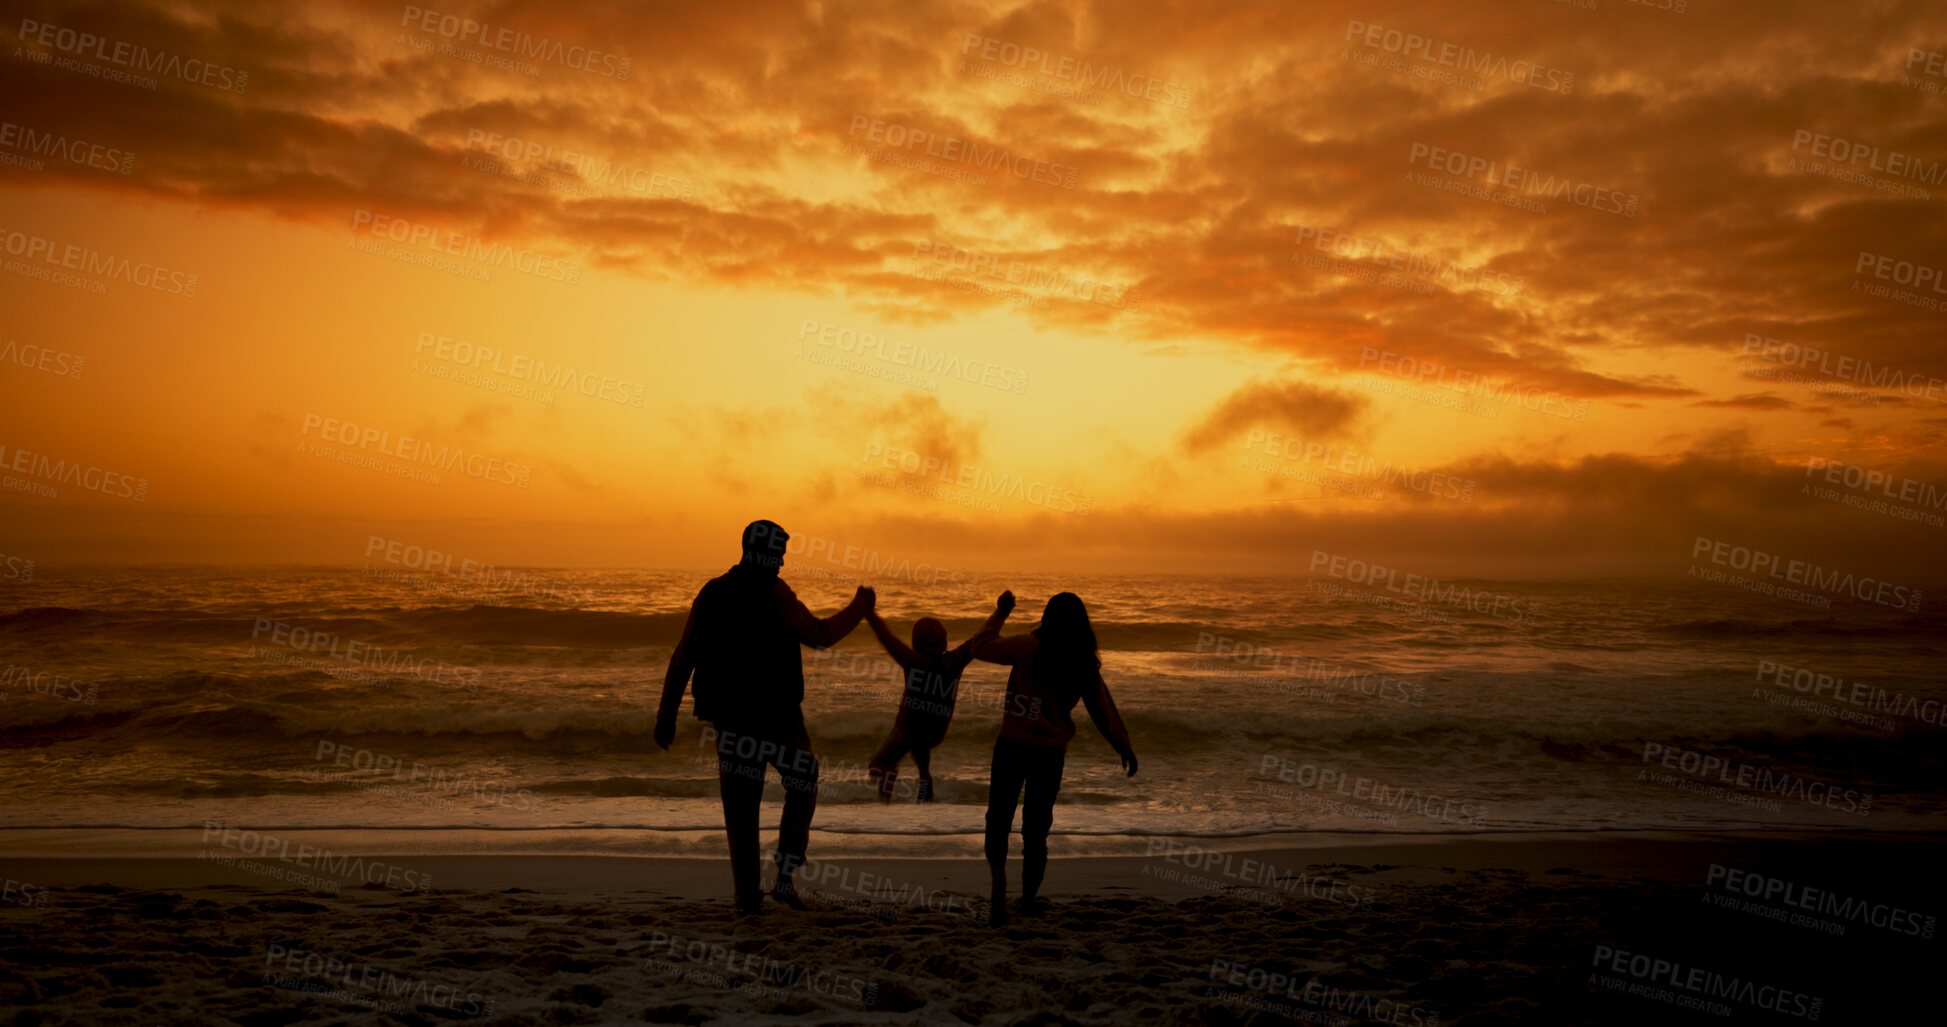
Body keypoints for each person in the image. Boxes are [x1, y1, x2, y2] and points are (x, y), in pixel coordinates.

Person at [654, 519, 873, 915]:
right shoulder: (775, 593)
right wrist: (860, 607)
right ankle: (784, 878)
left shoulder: (713, 592)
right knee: (802, 780)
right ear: (763, 553)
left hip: (730, 718)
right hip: (776, 715)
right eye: (778, 555)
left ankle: (746, 898)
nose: (782, 564)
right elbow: (820, 634)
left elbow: (683, 654)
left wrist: (666, 714)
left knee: (741, 807)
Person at [972, 592, 1136, 926]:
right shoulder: (1083, 663)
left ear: (1047, 618)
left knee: (998, 820)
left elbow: (981, 646)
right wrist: (1123, 745)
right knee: (1036, 830)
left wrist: (1000, 613)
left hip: (1012, 745)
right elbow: (1102, 709)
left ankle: (998, 885)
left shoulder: (1029, 647)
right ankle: (1029, 898)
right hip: (1050, 753)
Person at [862, 590, 1015, 803]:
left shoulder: (913, 662)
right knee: (920, 742)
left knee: (877, 766)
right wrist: (1001, 612)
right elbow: (981, 637)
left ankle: (887, 769)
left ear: (917, 643)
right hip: (935, 731)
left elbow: (887, 639)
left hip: (908, 729)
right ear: (944, 642)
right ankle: (925, 779)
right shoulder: (953, 662)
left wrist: (868, 613)